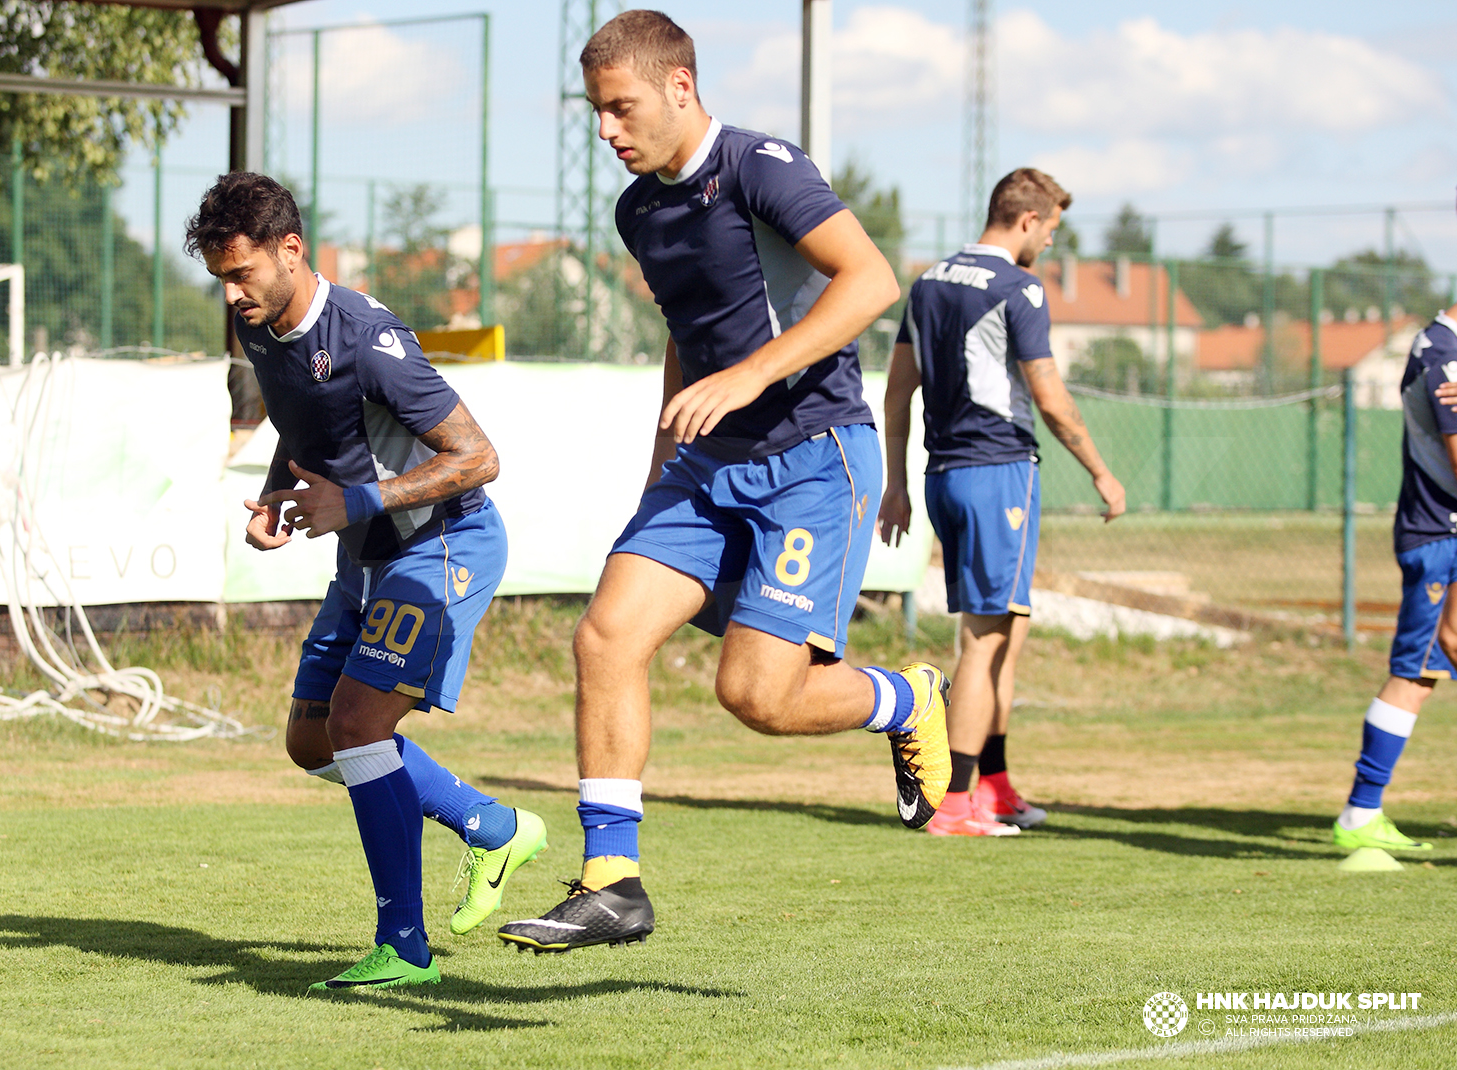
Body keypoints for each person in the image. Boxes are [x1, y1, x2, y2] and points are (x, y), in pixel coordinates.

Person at [496, 10, 951, 956]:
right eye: (596, 113)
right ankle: (612, 882)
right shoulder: (638, 210)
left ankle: (906, 699)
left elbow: (869, 283)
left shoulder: (761, 165)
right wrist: (660, 472)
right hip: (705, 470)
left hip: (812, 458)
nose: (608, 131)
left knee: (757, 697)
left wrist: (750, 375)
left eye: (621, 109)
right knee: (606, 636)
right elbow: (690, 334)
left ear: (680, 88)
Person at [184, 173, 548, 990]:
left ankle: (404, 949)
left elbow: (479, 458)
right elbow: (301, 422)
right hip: (366, 554)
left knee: (356, 727)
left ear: (290, 250)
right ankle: (492, 825)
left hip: (441, 545)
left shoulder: (365, 338)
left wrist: (354, 499)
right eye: (220, 279)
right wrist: (280, 496)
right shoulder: (261, 327)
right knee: (311, 742)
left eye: (242, 274)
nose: (233, 295)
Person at [877, 168, 1125, 837]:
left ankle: (995, 786)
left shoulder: (928, 282)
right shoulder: (1019, 287)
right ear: (1026, 220)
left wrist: (896, 484)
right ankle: (954, 803)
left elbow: (897, 391)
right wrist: (1102, 471)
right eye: (1050, 229)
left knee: (1006, 631)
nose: (1048, 243)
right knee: (985, 641)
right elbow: (1049, 397)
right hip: (999, 471)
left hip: (944, 474)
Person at [1332, 306, 1457, 853]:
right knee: (1421, 666)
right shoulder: (1442, 353)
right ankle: (1361, 810)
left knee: (1428, 665)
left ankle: (1362, 810)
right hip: (1439, 538)